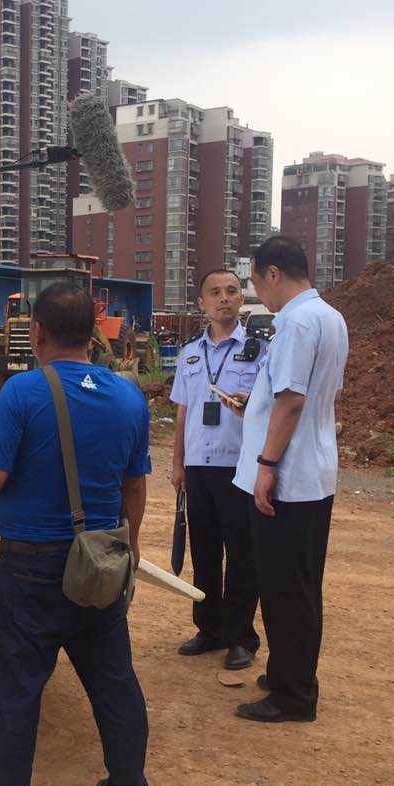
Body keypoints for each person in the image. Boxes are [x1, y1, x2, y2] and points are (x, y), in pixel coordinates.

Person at [0, 283, 151, 786]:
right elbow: (135, 487)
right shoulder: (129, 397)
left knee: (18, 694)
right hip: (100, 564)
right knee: (115, 684)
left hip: (31, 569)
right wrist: (130, 551)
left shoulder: (23, 391)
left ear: (36, 332)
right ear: (94, 333)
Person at [228, 236, 348, 724]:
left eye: (256, 282)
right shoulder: (329, 316)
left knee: (284, 589)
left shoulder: (297, 322)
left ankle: (294, 695)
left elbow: (292, 400)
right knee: (300, 583)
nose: (258, 292)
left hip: (289, 478)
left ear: (273, 274)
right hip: (312, 472)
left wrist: (266, 465)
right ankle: (288, 673)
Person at [170, 268, 268, 671]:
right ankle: (209, 628)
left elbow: (270, 409)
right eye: (215, 292)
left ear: (241, 299)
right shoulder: (189, 354)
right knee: (205, 552)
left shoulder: (260, 351)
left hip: (239, 466)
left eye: (231, 290)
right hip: (198, 466)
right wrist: (177, 463)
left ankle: (241, 636)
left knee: (243, 554)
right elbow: (183, 412)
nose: (224, 297)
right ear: (202, 303)